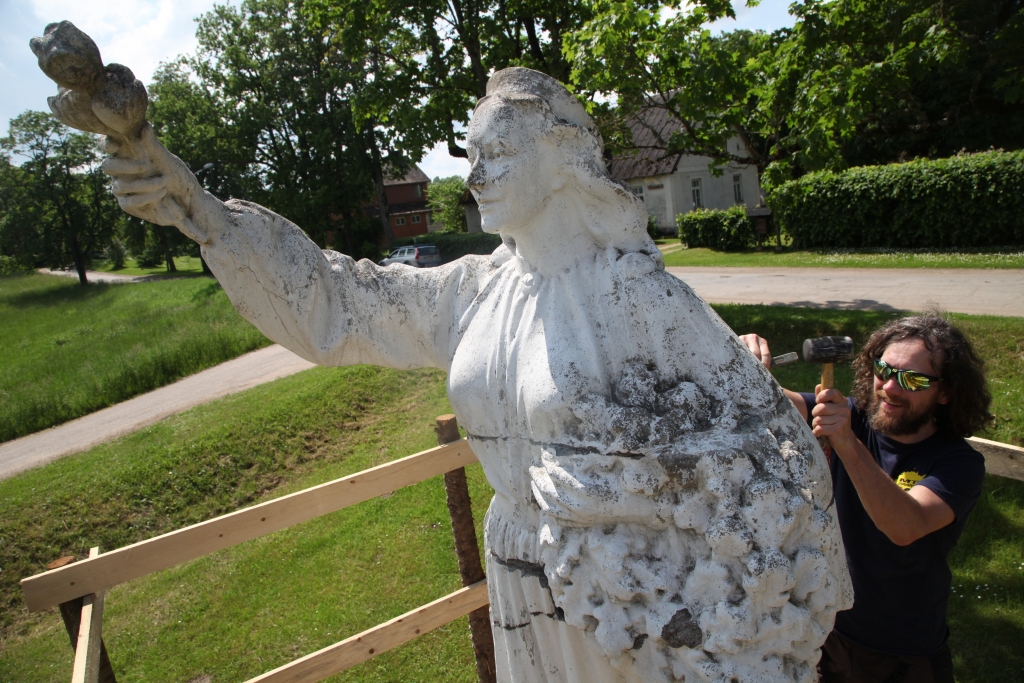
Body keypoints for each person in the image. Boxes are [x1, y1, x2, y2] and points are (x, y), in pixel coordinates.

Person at [55, 56, 853, 681]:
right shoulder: (475, 290)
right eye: (472, 156)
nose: (475, 178)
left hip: (611, 597)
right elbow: (339, 304)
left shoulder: (639, 298)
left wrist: (622, 495)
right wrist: (201, 210)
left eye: (498, 154)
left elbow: (763, 456)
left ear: (562, 158)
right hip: (514, 565)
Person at [741, 315, 992, 683]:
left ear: (946, 392)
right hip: (831, 631)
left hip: (905, 652)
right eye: (883, 369)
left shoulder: (957, 462)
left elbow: (905, 526)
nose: (890, 387)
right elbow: (777, 404)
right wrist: (743, 360)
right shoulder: (854, 418)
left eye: (913, 379)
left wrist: (846, 444)